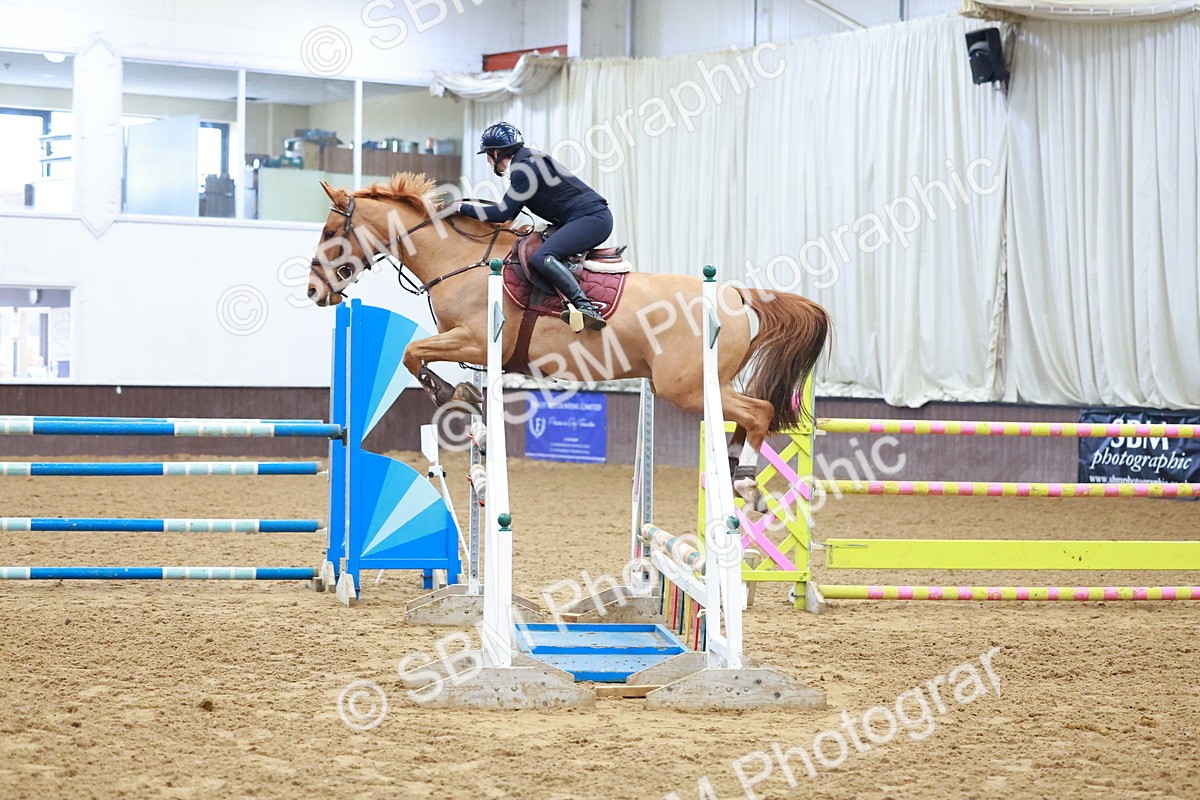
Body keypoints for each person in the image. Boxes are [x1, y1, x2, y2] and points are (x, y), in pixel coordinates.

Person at [452, 122, 611, 331]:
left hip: (592, 219)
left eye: (487, 156)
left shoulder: (524, 168)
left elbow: (503, 214)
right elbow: (509, 215)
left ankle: (585, 307)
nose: (489, 162)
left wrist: (461, 208)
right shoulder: (527, 162)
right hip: (584, 218)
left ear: (496, 153)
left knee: (542, 257)